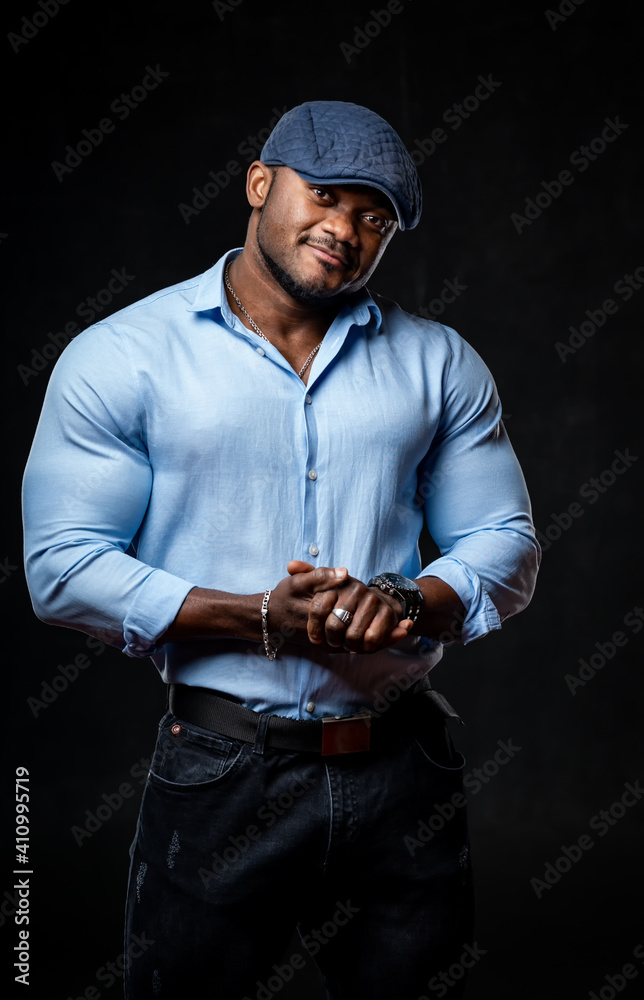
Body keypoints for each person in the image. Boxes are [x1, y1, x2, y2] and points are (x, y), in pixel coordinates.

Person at [22, 100, 540, 999]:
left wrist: (409, 599)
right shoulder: (123, 358)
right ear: (261, 185)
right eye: (328, 196)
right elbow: (62, 567)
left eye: (376, 218)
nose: (347, 230)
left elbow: (505, 542)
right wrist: (259, 617)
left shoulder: (440, 363)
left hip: (402, 775)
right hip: (220, 769)